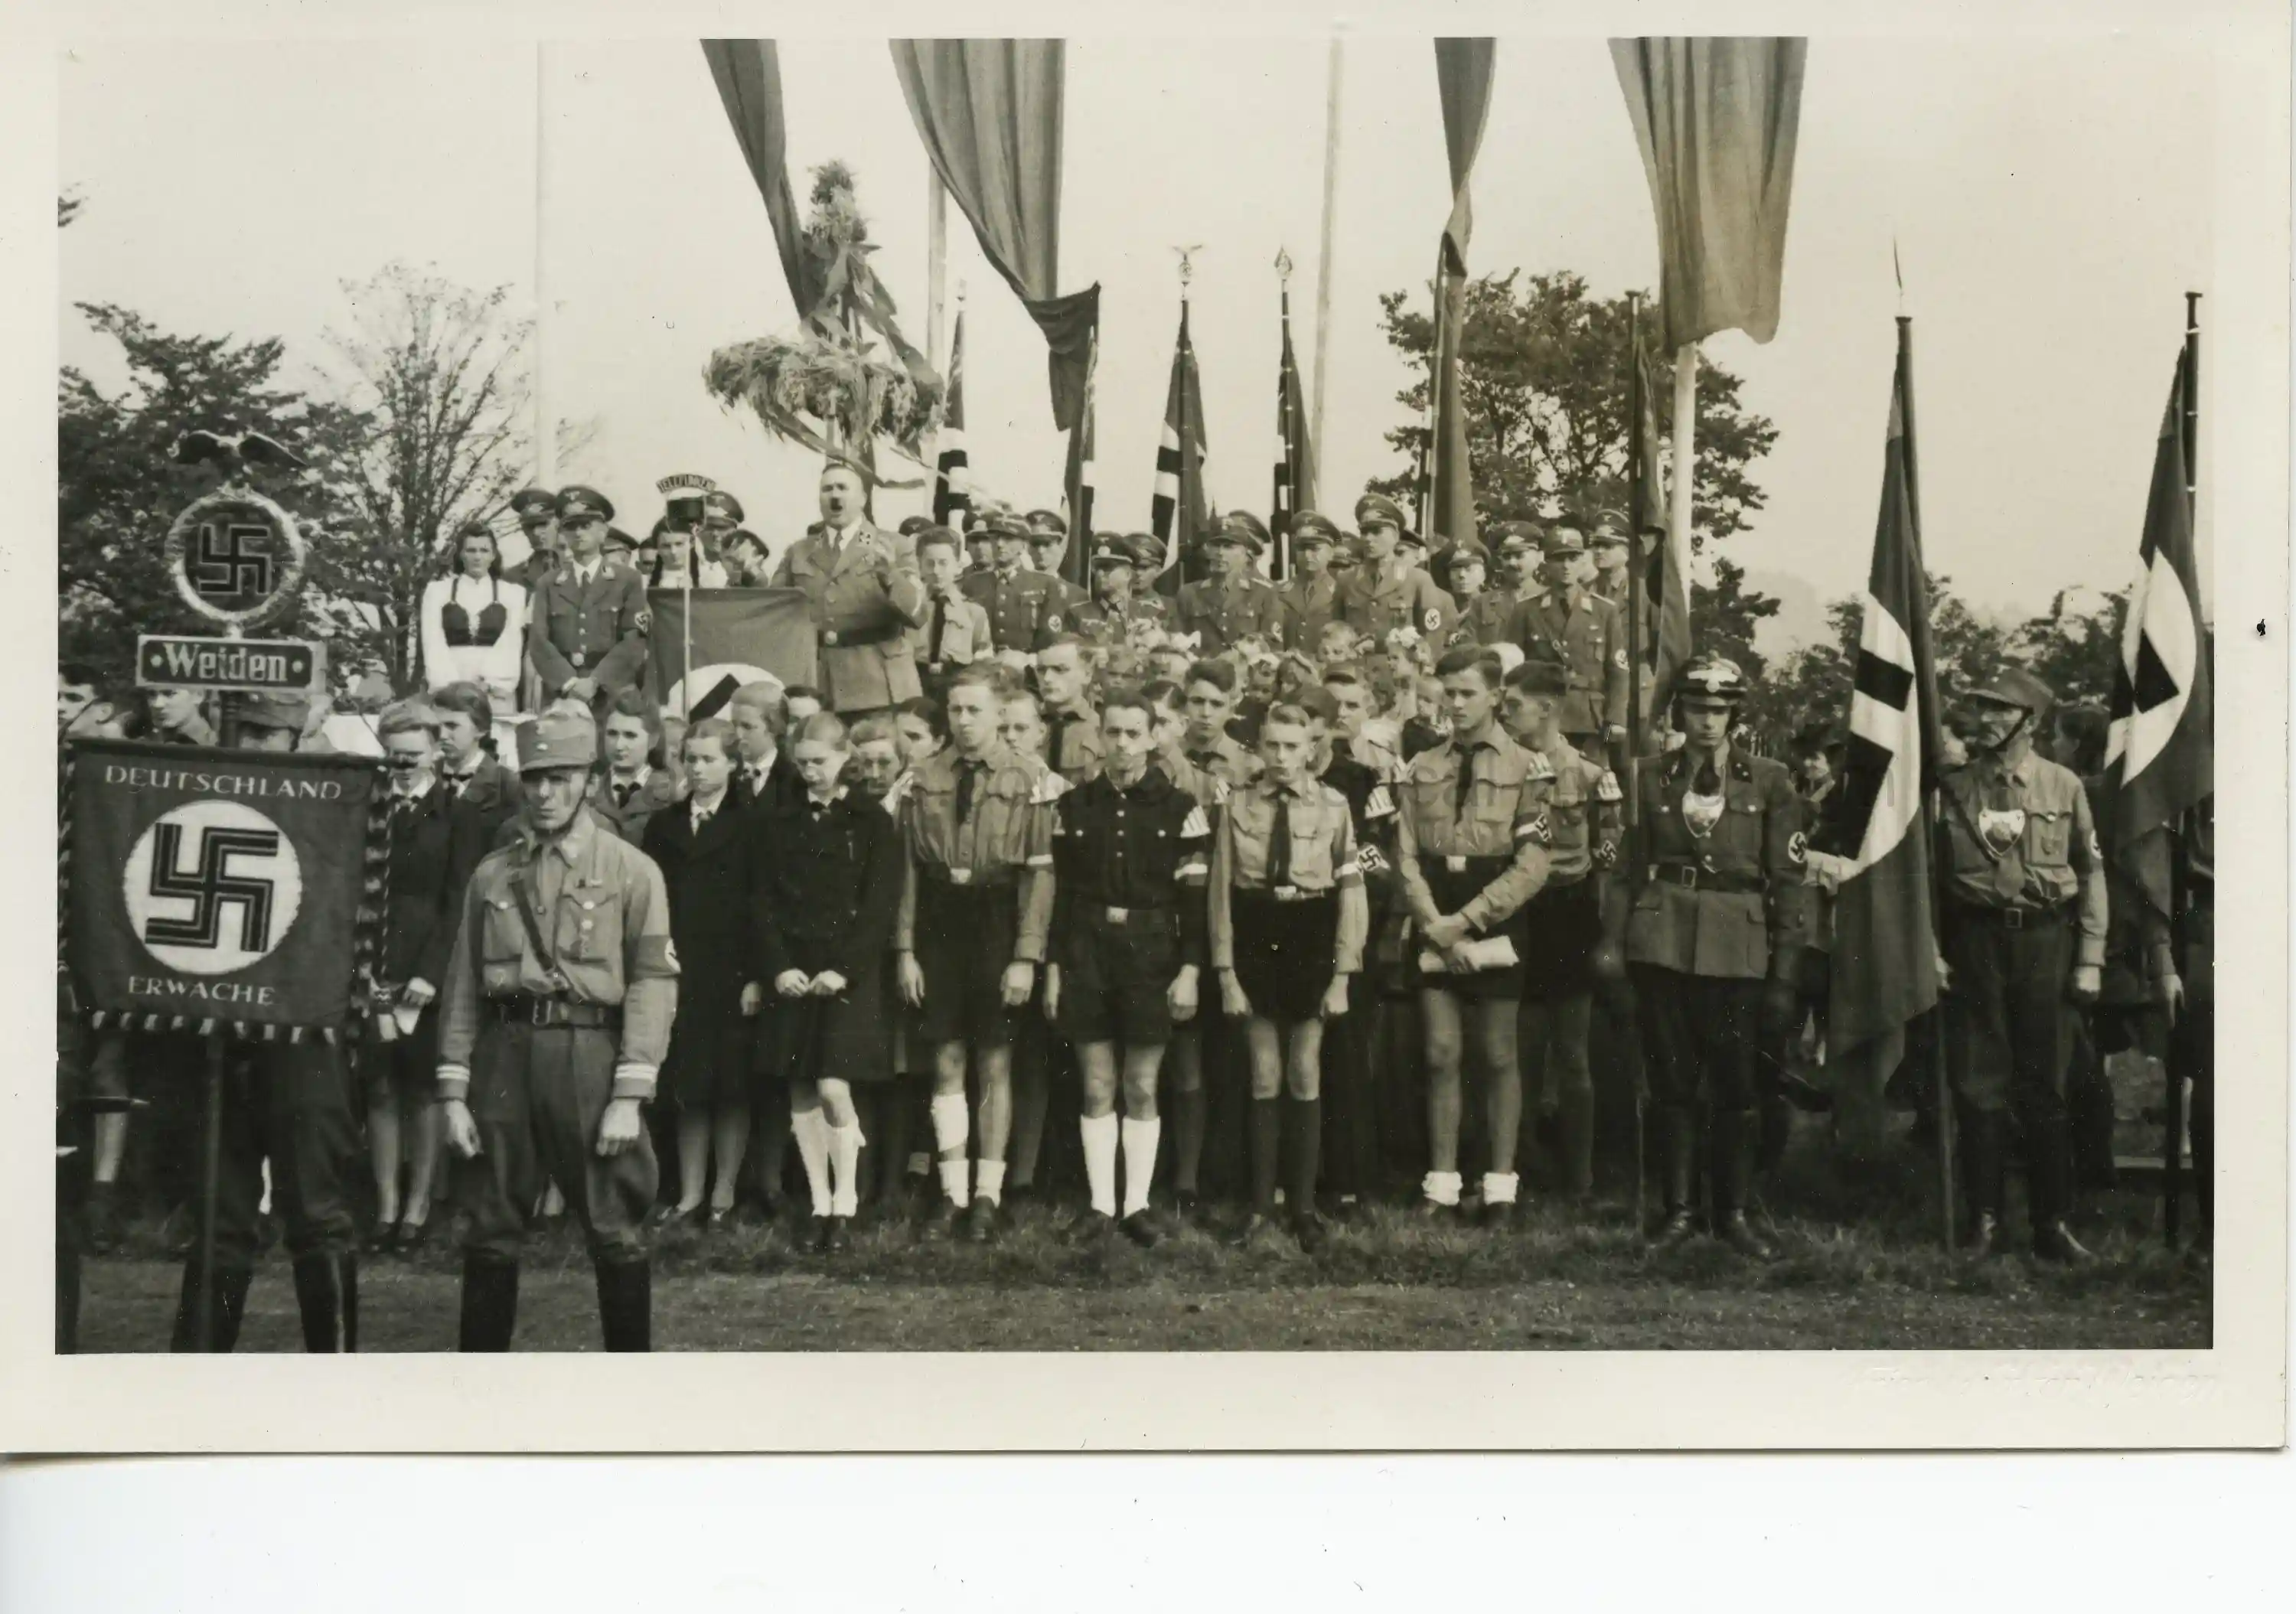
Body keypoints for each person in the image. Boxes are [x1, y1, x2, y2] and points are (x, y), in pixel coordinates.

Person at [435, 707, 678, 1351]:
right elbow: (463, 982)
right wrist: (454, 1091)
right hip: (505, 1056)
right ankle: (477, 1391)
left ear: (589, 778)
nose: (546, 793)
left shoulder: (631, 870)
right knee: (491, 1223)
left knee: (612, 1223)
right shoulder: (493, 873)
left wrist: (630, 1094)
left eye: (563, 778)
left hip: (589, 1055)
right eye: (536, 778)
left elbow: (654, 980)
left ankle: (627, 1391)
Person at [1596, 654, 1809, 1260]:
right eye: (1696, 708)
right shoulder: (1647, 776)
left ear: (1734, 715)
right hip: (1661, 941)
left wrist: (1784, 973)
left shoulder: (1769, 780)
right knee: (1671, 1081)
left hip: (1738, 946)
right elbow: (1622, 871)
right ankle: (1680, 1210)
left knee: (1737, 1086)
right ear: (1679, 712)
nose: (1708, 721)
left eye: (1719, 710)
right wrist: (1612, 944)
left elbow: (1789, 883)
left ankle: (1734, 1213)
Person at [170, 691, 363, 1352]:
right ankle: (194, 1383)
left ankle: (335, 1384)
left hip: (305, 1037)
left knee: (317, 1214)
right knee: (220, 1216)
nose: (251, 744)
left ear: (293, 737)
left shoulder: (330, 806)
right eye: (242, 730)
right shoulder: (199, 805)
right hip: (219, 1037)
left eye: (265, 732)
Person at [1934, 666, 2107, 1263]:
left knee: (2045, 1084)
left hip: (2045, 943)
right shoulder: (1953, 789)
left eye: (1997, 711)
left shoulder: (2065, 786)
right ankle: (1984, 1220)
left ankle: (2050, 1223)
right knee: (1979, 1084)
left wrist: (2089, 957)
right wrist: (1933, 949)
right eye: (1979, 709)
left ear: (2028, 723)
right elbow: (1930, 881)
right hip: (1976, 942)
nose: (1981, 721)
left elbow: (2090, 874)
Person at [893, 664, 1061, 1243]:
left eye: (976, 711)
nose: (964, 722)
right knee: (945, 1059)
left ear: (998, 714)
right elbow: (911, 871)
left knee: (994, 1058)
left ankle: (988, 1194)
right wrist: (906, 949)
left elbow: (1040, 875)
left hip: (998, 916)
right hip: (942, 917)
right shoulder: (924, 777)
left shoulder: (1029, 778)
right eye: (956, 711)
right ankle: (952, 1190)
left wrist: (1026, 955)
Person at [1391, 646, 1555, 1223]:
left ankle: (1499, 1186)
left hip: (1495, 916)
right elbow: (1406, 853)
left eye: (1466, 693)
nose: (1455, 704)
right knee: (1439, 1052)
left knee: (1498, 1051)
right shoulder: (1422, 766)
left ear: (1494, 697)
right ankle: (1440, 1184)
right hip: (1435, 910)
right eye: (1447, 692)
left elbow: (1534, 864)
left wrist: (1466, 923)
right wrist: (1437, 925)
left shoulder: (1527, 767)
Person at [1045, 687, 1210, 1246]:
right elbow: (1062, 895)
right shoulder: (1074, 805)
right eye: (1112, 732)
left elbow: (1194, 902)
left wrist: (1189, 970)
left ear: (1154, 736)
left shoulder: (1181, 808)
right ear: (1100, 736)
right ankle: (1099, 1205)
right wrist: (1054, 966)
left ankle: (1136, 1205)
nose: (1122, 743)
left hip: (1152, 952)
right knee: (1097, 1083)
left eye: (1133, 733)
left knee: (1140, 1082)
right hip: (1088, 948)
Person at [1210, 700, 1368, 1250]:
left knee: (1305, 1068)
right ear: (1258, 748)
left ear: (1311, 750)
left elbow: (1351, 892)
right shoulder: (1237, 805)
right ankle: (1260, 1206)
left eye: (1291, 746)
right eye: (1271, 745)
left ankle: (1302, 1207)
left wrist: (1344, 972)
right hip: (1257, 933)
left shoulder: (1334, 806)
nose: (1280, 756)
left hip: (1311, 932)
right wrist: (1226, 971)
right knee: (1263, 1071)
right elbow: (1221, 894)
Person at [756, 712, 904, 1250]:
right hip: (795, 975)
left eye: (820, 761)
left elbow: (880, 904)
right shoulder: (779, 819)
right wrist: (779, 967)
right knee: (800, 1087)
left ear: (845, 757)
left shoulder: (871, 821)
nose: (811, 772)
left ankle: (846, 1203)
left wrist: (844, 969)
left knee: (833, 1087)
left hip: (846, 974)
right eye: (803, 764)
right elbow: (762, 900)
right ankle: (820, 1202)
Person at [365, 699, 482, 1257]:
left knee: (423, 1090)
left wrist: (431, 974)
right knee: (380, 1088)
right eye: (392, 757)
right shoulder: (369, 810)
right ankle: (385, 1205)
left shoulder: (458, 816)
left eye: (412, 755)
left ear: (436, 751)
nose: (402, 766)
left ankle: (419, 1205)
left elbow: (459, 899)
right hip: (374, 969)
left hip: (427, 972)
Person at [1500, 660, 1620, 1202]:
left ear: (1547, 707)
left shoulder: (1591, 776)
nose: (1505, 712)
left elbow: (1608, 863)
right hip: (1518, 912)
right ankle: (1521, 1166)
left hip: (1569, 914)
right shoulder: (1502, 769)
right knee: (1518, 1049)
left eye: (1514, 704)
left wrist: (1606, 934)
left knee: (1572, 1054)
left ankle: (1580, 1177)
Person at [637, 719, 758, 1229]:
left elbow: (762, 903)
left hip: (732, 972)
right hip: (681, 969)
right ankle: (689, 1193)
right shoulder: (663, 826)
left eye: (710, 758)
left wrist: (756, 975)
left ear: (732, 762)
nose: (700, 768)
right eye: (691, 758)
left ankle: (724, 1191)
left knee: (730, 1085)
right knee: (687, 1083)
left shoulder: (753, 823)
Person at [773, 463, 929, 716]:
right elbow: (774, 610)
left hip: (878, 682)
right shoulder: (798, 552)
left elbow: (919, 614)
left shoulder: (895, 546)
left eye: (843, 488)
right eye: (827, 489)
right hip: (819, 684)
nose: (835, 495)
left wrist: (891, 574)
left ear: (862, 499)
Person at [527, 485, 651, 716]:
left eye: (586, 526)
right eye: (571, 527)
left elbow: (634, 639)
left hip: (612, 694)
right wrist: (570, 684)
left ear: (603, 531)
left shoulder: (628, 580)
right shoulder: (548, 583)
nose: (578, 533)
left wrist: (595, 682)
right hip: (562, 694)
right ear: (562, 533)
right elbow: (538, 642)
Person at [1515, 526, 1628, 761]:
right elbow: (1514, 669)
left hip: (1590, 720)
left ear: (1582, 561)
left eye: (1573, 558)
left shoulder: (1604, 611)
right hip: (1542, 716)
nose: (1566, 566)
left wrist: (1615, 721)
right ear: (1546, 563)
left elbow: (1617, 671)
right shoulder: (1527, 610)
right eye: (1558, 559)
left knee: (1592, 784)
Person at [421, 520, 529, 720]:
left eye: (484, 550)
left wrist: (489, 683)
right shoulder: (437, 591)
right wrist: (451, 686)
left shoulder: (513, 593)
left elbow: (512, 641)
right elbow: (432, 640)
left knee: (495, 741)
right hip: (449, 681)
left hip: (494, 687)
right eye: (471, 550)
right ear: (461, 554)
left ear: (493, 555)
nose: (477, 557)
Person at [1337, 493, 1456, 648]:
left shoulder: (1418, 580)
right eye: (1364, 532)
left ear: (1395, 536)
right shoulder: (1347, 579)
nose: (1368, 538)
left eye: (1376, 531)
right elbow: (1335, 632)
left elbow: (1432, 636)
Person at [1175, 513, 1286, 657]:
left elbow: (1273, 645)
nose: (1220, 553)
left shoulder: (1265, 594)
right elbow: (1178, 641)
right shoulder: (1189, 594)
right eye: (1215, 546)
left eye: (1228, 547)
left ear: (1246, 553)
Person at [962, 510, 1068, 658]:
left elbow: (1049, 635)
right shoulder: (972, 583)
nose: (999, 544)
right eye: (995, 538)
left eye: (1008, 538)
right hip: (982, 667)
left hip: (1025, 667)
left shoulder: (1046, 584)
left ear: (1024, 545)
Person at [586, 687, 680, 845]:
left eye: (630, 735)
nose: (619, 745)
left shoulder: (673, 795)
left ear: (653, 740)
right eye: (612, 734)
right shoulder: (588, 795)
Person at [432, 680, 524, 841]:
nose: (442, 735)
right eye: (436, 726)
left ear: (481, 730)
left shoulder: (508, 785)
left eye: (452, 726)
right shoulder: (427, 775)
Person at [910, 525, 994, 699]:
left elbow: (983, 660)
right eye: (929, 563)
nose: (936, 571)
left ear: (958, 566)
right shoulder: (911, 608)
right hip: (915, 684)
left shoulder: (973, 612)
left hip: (956, 687)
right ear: (920, 566)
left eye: (943, 563)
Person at [726, 680, 805, 816]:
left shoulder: (796, 778)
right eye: (734, 725)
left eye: (747, 727)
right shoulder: (725, 773)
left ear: (774, 728)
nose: (738, 735)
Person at [1037, 635, 1104, 786]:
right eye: (1041, 670)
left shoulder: (1102, 727)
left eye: (1060, 669)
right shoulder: (1022, 723)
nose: (1047, 678)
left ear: (1087, 675)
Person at [1274, 513, 1343, 654]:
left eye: (1314, 549)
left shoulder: (1341, 592)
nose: (1307, 556)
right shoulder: (1279, 592)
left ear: (1331, 553)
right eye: (1301, 549)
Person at [1025, 510, 1090, 614]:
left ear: (1061, 546)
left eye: (1047, 544)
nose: (1041, 551)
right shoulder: (1017, 588)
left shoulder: (1076, 595)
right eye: (1035, 544)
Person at [503, 487, 560, 589]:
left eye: (543, 524)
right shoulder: (512, 577)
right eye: (529, 527)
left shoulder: (583, 570)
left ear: (558, 524)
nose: (536, 533)